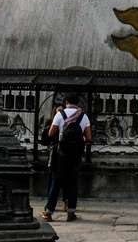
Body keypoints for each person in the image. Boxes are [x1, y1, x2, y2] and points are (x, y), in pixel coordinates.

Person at [43, 93, 91, 223]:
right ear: (78, 103)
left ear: (66, 102)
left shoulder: (60, 115)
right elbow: (89, 138)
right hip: (75, 155)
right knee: (73, 183)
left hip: (61, 154)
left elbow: (51, 133)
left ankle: (49, 212)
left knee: (56, 182)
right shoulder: (84, 116)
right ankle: (71, 212)